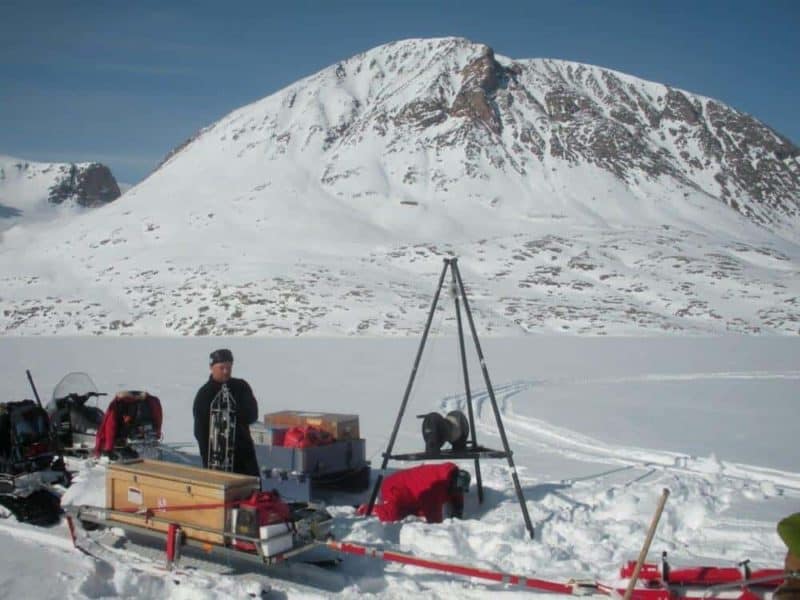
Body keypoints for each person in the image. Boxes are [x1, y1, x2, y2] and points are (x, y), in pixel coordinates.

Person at [193, 348, 260, 477]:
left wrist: (235, 413)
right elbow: (200, 431)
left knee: (251, 488)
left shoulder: (241, 386)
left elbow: (252, 415)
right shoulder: (204, 394)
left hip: (244, 456)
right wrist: (208, 461)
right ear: (211, 367)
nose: (226, 371)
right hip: (218, 458)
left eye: (229, 367)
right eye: (222, 368)